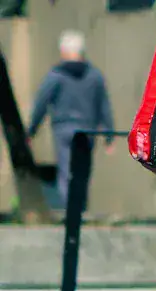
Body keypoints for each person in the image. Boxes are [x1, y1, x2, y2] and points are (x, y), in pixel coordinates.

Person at [27, 30, 114, 213]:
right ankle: (80, 210)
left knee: (66, 171)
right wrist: (109, 134)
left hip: (63, 129)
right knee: (82, 171)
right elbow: (103, 105)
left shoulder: (56, 75)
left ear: (64, 51)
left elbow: (41, 103)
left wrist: (31, 131)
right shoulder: (94, 75)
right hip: (88, 130)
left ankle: (70, 212)